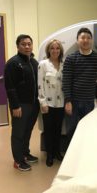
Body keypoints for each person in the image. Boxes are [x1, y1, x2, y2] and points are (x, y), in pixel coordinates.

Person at [62, 27, 97, 151]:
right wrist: (68, 101)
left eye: (88, 38)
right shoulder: (71, 58)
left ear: (91, 40)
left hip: (88, 101)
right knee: (71, 129)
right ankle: (71, 154)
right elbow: (66, 81)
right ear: (77, 40)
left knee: (88, 129)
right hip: (73, 101)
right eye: (82, 38)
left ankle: (84, 153)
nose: (85, 40)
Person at [4, 34, 40, 171]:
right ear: (18, 46)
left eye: (29, 44)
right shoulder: (13, 63)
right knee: (18, 133)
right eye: (23, 44)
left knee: (28, 130)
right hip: (21, 105)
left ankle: (25, 153)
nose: (27, 46)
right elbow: (10, 87)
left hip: (34, 103)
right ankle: (18, 161)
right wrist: (15, 105)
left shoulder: (34, 62)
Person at [38, 39, 65, 167]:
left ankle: (56, 152)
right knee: (48, 130)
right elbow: (40, 85)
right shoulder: (43, 64)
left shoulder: (64, 64)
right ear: (48, 50)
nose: (55, 51)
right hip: (48, 103)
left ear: (60, 50)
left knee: (58, 129)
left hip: (61, 102)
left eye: (57, 48)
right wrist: (42, 102)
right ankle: (49, 154)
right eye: (52, 48)